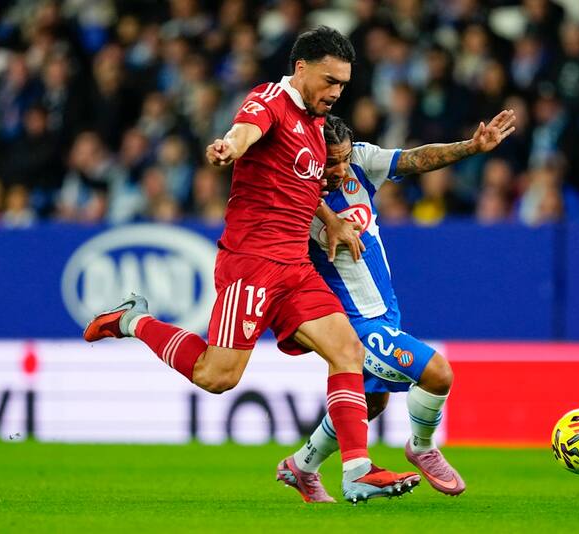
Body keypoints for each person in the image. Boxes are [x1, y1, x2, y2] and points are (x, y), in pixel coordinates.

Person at [83, 26, 418, 504]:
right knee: (216, 376)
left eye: (342, 84)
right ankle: (133, 320)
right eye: (328, 81)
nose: (335, 93)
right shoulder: (269, 100)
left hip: (295, 266)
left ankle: (357, 470)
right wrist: (229, 146)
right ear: (300, 69)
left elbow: (300, 185)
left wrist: (333, 221)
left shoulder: (318, 122)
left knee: (347, 353)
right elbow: (246, 131)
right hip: (252, 265)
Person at [276, 112, 515, 502]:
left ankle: (301, 466)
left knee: (370, 403)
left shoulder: (360, 163)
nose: (337, 169)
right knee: (437, 373)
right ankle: (421, 446)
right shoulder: (297, 195)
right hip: (351, 323)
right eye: (328, 160)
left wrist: (470, 147)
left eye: (342, 158)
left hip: (385, 312)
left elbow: (416, 158)